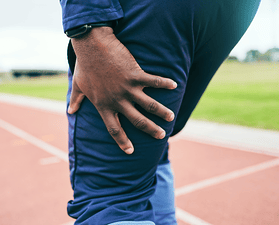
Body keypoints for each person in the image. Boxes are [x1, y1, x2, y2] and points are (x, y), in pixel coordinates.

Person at [60, 0, 261, 224]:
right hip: (237, 10)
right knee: (154, 141)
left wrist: (85, 24)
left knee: (111, 197)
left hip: (157, 7)